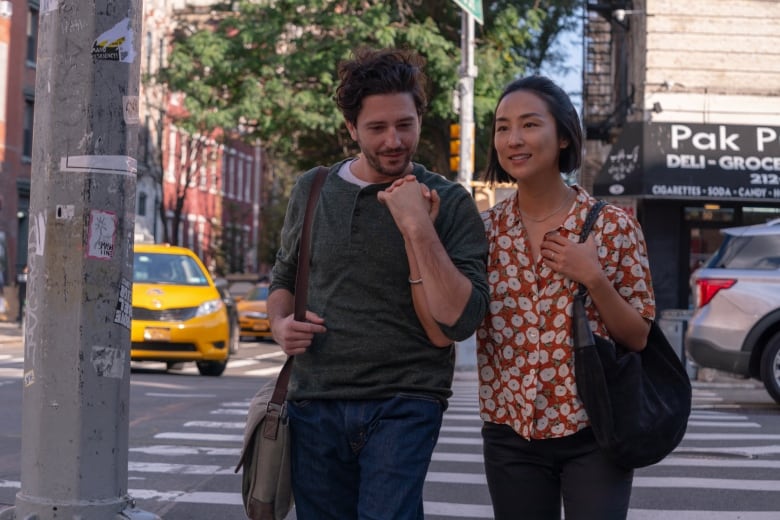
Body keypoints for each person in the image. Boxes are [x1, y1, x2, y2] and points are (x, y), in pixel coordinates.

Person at [267, 47, 489, 520]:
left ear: (419, 119)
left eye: (405, 125)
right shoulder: (313, 189)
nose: (394, 140)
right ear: (351, 128)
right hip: (315, 398)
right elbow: (285, 274)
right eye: (377, 128)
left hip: (406, 399)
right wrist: (279, 324)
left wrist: (418, 226)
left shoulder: (449, 201)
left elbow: (461, 320)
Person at [476, 75, 656, 520]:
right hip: (510, 432)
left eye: (530, 125)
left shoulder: (612, 226)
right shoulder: (483, 233)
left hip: (596, 431)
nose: (513, 139)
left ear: (562, 137)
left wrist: (594, 278)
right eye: (502, 127)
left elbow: (638, 337)